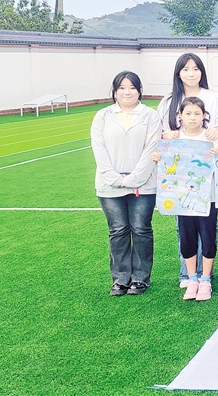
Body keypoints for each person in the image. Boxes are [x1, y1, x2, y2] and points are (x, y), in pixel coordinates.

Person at [157, 53, 218, 289]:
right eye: (186, 69)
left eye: (195, 69)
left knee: (207, 227)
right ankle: (188, 274)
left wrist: (217, 131)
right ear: (178, 73)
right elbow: (159, 133)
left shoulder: (213, 97)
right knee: (184, 227)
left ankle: (205, 275)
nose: (191, 73)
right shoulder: (169, 100)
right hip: (179, 177)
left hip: (206, 175)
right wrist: (166, 135)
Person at [91, 71, 159, 297]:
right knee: (118, 230)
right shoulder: (103, 116)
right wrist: (114, 179)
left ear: (139, 91)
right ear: (114, 91)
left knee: (141, 229)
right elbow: (99, 149)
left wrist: (132, 179)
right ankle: (120, 279)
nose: (127, 92)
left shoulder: (150, 115)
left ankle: (140, 278)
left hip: (143, 185)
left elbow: (151, 149)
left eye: (132, 87)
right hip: (109, 186)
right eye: (121, 87)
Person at [152, 97, 218, 301]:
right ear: (180, 115)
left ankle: (206, 279)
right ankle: (192, 279)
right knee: (187, 238)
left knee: (208, 237)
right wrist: (158, 158)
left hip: (207, 198)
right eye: (188, 113)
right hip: (182, 200)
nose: (193, 118)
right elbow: (168, 168)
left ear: (204, 116)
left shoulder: (210, 138)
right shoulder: (173, 139)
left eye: (197, 113)